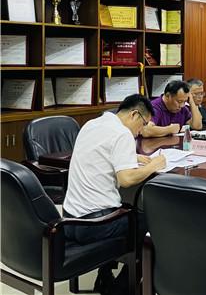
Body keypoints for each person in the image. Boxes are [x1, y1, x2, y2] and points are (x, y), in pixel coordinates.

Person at [63, 94, 166, 294]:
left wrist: (133, 156)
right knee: (151, 222)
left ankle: (105, 276)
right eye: (144, 124)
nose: (141, 131)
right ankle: (122, 287)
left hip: (70, 219)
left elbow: (99, 151)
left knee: (128, 210)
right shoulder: (122, 134)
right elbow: (126, 179)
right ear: (134, 115)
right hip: (95, 225)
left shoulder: (92, 124)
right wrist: (154, 164)